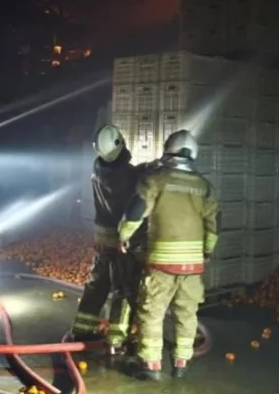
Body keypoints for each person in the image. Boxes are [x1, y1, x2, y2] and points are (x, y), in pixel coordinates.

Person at [118, 129, 219, 380]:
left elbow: (135, 212)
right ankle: (181, 363)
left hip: (162, 264)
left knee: (151, 312)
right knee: (187, 314)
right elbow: (214, 225)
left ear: (167, 150)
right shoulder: (205, 187)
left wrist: (123, 236)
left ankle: (151, 365)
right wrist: (207, 251)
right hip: (193, 266)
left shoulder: (155, 180)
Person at [71, 125, 150, 355]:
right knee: (124, 288)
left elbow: (123, 174)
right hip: (122, 240)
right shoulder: (128, 175)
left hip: (102, 237)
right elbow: (135, 183)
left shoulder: (98, 169)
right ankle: (117, 339)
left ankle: (82, 329)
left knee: (98, 283)